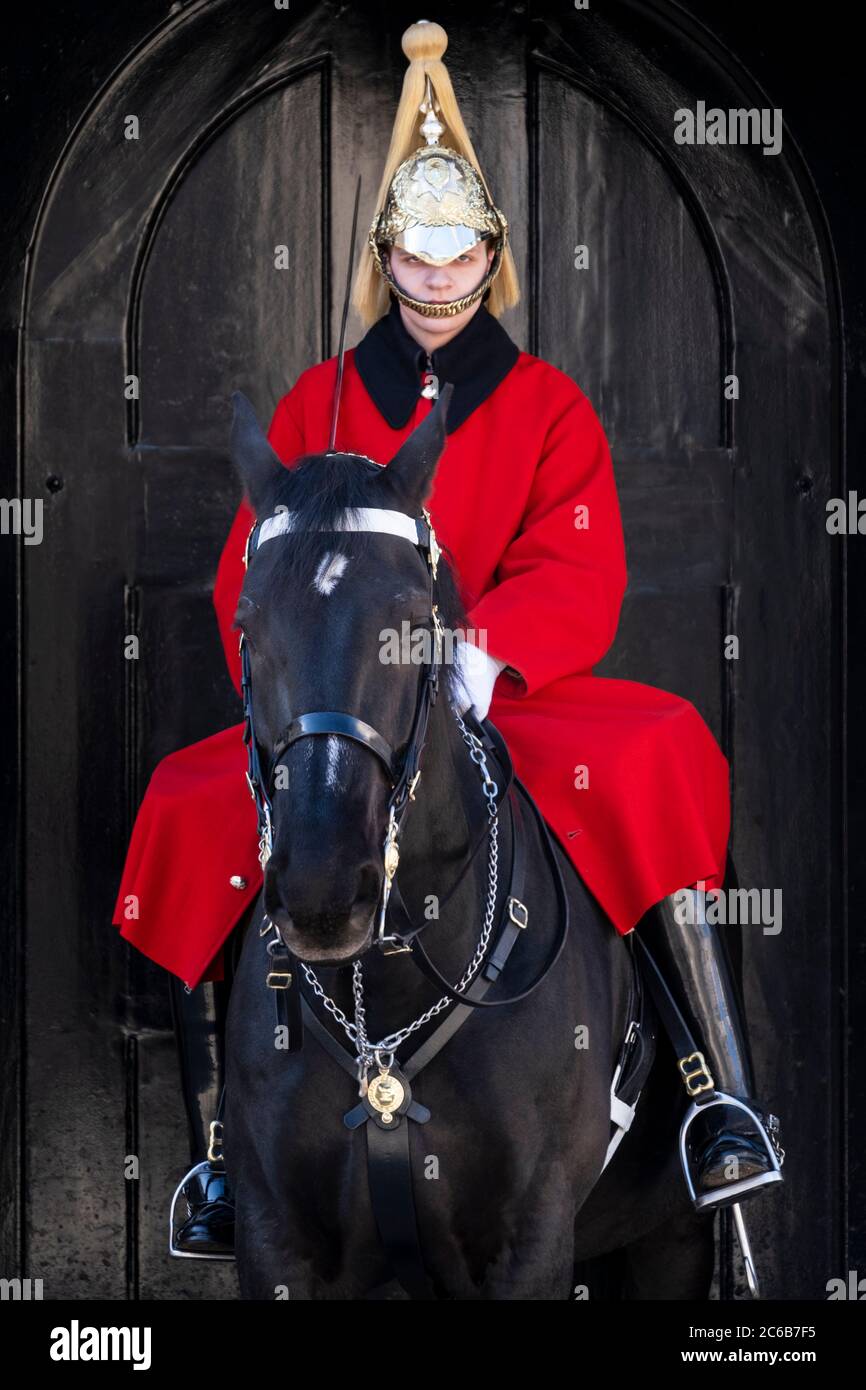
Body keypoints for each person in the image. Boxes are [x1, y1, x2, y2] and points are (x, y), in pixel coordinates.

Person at [112, 19, 783, 1259]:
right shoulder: (318, 398)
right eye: (412, 248)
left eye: (457, 244)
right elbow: (250, 578)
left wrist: (480, 653)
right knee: (184, 798)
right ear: (384, 256)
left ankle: (709, 1091)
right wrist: (316, 685)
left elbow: (580, 566)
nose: (434, 268)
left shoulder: (547, 406)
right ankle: (219, 1148)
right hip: (353, 707)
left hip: (498, 691)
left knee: (657, 748)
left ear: (491, 255)